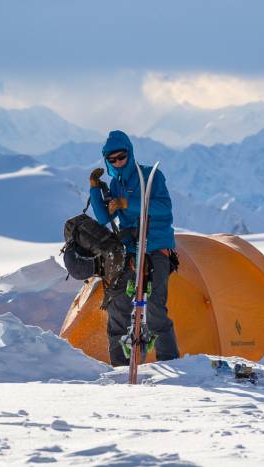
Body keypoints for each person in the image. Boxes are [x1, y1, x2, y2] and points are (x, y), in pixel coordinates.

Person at [88, 130, 180, 366]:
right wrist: (95, 189)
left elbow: (164, 208)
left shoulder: (151, 176)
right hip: (130, 250)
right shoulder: (115, 185)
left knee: (156, 308)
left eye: (121, 157)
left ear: (130, 153)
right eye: (112, 159)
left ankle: (168, 362)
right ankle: (121, 366)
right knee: (118, 305)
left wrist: (130, 203)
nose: (117, 162)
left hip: (157, 246)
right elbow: (102, 218)